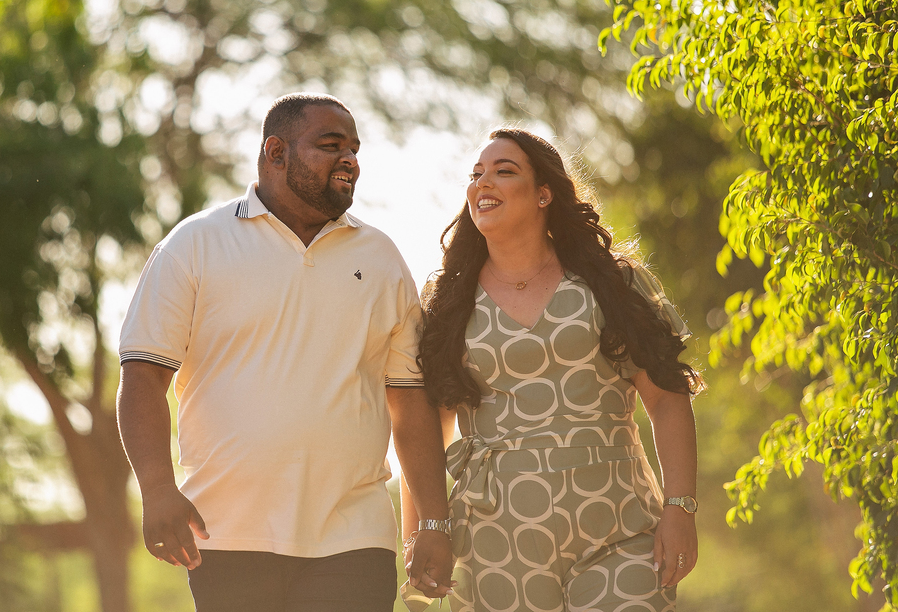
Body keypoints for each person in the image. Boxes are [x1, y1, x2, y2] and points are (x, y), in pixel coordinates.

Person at [116, 93, 455, 612]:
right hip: (227, 532)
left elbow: (410, 404)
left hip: (354, 535)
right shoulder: (195, 244)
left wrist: (432, 521)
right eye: (330, 145)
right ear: (276, 152)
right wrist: (157, 487)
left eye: (355, 149)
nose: (350, 160)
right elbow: (142, 377)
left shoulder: (381, 257)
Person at [402, 128, 702, 612]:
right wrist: (421, 532)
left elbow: (667, 397)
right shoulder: (447, 302)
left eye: (504, 171)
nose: (484, 183)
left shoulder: (612, 282)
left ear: (544, 193)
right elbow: (428, 426)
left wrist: (681, 506)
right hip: (495, 535)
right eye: (476, 174)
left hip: (620, 524)